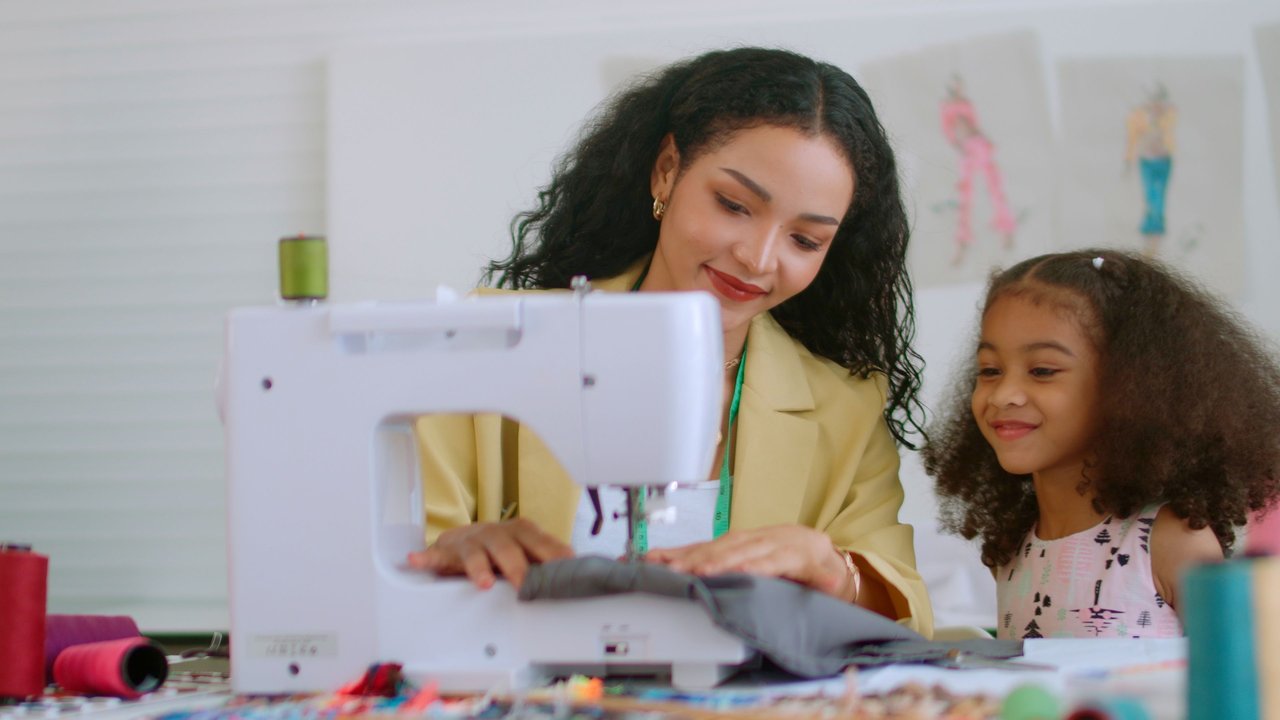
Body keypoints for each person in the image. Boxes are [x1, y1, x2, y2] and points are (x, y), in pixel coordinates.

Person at [408, 47, 933, 636]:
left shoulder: (847, 408)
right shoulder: (486, 346)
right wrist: (455, 550)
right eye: (733, 205)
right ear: (666, 171)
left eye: (806, 241)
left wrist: (835, 570)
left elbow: (907, 611)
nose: (757, 259)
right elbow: (394, 565)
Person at [922, 249, 1280, 639]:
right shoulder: (1013, 548)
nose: (1004, 394)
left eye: (1042, 371)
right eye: (990, 370)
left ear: (1128, 388)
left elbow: (1240, 682)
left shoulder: (1171, 541)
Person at [939, 74, 1017, 267]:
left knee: (995, 190)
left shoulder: (967, 104)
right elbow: (949, 132)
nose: (958, 89)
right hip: (966, 150)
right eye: (954, 86)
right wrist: (960, 144)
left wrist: (983, 140)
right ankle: (962, 244)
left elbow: (975, 125)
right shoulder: (946, 107)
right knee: (965, 198)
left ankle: (1006, 232)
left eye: (960, 85)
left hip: (979, 146)